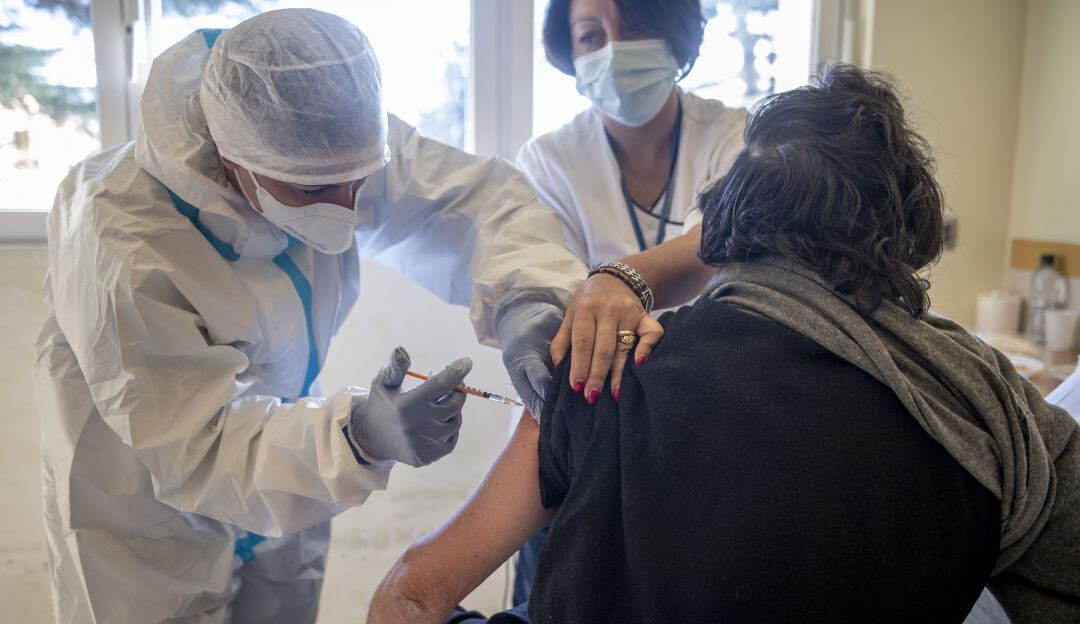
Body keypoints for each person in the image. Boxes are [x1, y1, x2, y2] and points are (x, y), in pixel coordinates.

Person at [366, 65, 1080, 623]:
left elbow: (410, 599)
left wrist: (619, 280)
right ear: (909, 238)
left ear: (723, 219)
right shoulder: (985, 416)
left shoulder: (609, 367)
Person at [33, 8, 598, 623]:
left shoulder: (327, 138)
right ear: (231, 157)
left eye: (360, 180)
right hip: (142, 516)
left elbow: (474, 203)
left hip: (283, 471)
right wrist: (356, 436)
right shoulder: (121, 235)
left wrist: (530, 295)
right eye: (311, 193)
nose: (347, 208)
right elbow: (199, 447)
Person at [511, 0, 745, 595]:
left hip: (710, 435)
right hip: (588, 439)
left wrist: (620, 279)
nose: (613, 49)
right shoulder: (549, 161)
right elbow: (556, 293)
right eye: (590, 34)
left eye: (635, 26)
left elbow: (725, 241)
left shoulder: (736, 134)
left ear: (676, 35)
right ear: (570, 53)